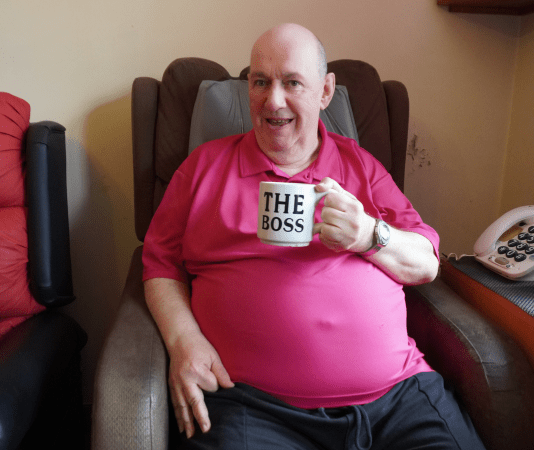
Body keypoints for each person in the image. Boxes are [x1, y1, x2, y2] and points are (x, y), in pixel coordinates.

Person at [142, 23, 485, 450]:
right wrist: (183, 340)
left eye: (292, 83)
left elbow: (426, 262)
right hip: (256, 409)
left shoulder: (361, 166)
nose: (274, 100)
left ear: (325, 92)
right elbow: (158, 262)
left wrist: (369, 235)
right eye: (261, 82)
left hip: (398, 401)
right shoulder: (203, 168)